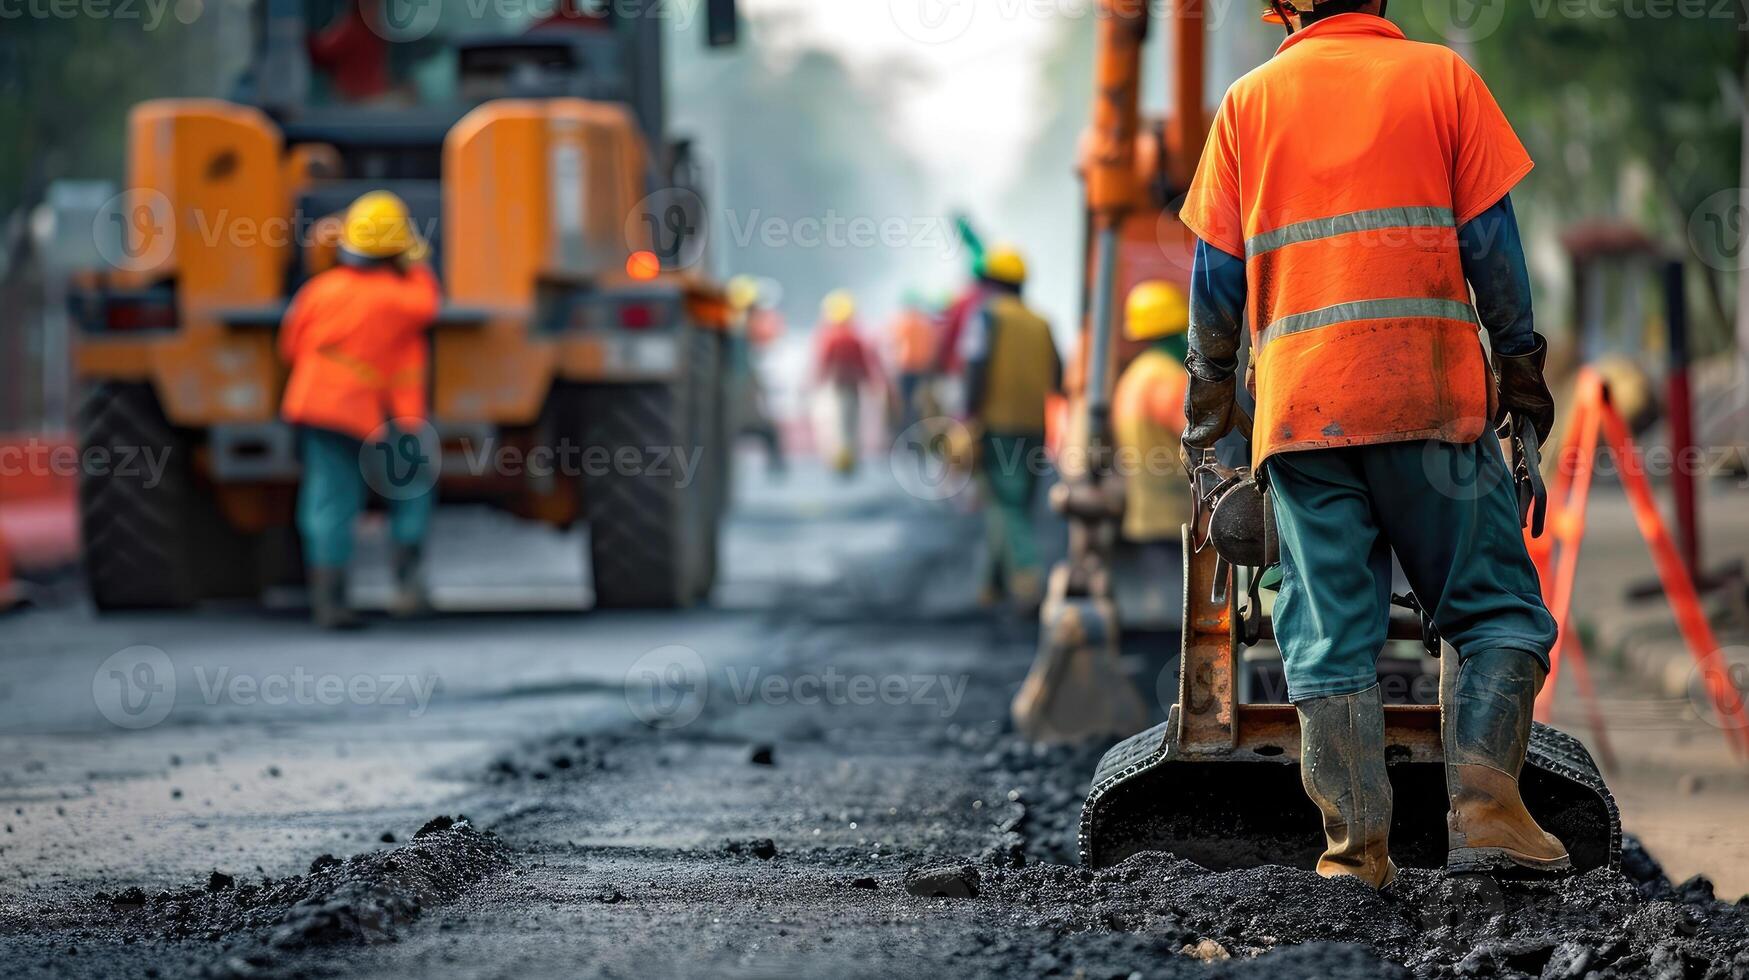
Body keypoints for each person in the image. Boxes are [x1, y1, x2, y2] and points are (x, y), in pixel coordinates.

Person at [1178, 0, 1564, 889]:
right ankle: (1486, 814)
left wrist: (1209, 418)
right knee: (1495, 611)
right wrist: (1519, 374)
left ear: (1283, 9)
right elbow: (1492, 249)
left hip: (1303, 416)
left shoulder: (1248, 103)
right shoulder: (1443, 79)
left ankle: (1356, 854)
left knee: (1326, 633)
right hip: (1430, 402)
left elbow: (1217, 279)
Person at [280, 191, 441, 629]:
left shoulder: (318, 290)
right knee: (410, 489)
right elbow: (429, 302)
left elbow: (290, 344)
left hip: (316, 403)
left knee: (330, 499)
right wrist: (417, 264)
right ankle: (408, 586)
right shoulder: (400, 298)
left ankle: (329, 600)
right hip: (381, 412)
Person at [959, 245, 1062, 611]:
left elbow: (976, 365)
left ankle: (1027, 577)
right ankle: (994, 582)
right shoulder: (1042, 322)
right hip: (1034, 425)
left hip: (996, 424)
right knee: (1010, 501)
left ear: (992, 283)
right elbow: (1058, 376)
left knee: (1006, 502)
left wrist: (968, 415)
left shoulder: (986, 316)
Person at [1111, 281, 1192, 547]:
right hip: (1174, 516)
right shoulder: (1168, 376)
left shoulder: (1136, 373)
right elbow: (1199, 438)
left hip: (1144, 511)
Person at [812, 290, 882, 476]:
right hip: (853, 386)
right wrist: (871, 383)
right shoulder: (853, 337)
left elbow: (823, 363)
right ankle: (850, 459)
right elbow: (863, 364)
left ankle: (841, 460)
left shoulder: (830, 337)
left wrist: (816, 382)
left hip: (836, 387)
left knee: (838, 425)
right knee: (851, 423)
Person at [887, 292, 940, 438]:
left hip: (905, 368)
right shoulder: (924, 323)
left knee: (905, 402)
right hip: (921, 368)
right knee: (919, 403)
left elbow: (894, 345)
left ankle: (905, 434)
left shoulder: (902, 322)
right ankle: (917, 433)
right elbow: (931, 347)